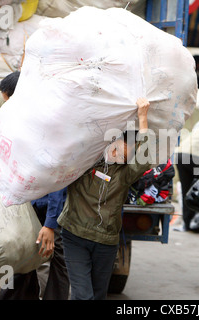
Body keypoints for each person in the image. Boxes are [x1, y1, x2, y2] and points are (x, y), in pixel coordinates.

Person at [57, 97, 154, 300]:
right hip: (75, 235)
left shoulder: (124, 173)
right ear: (111, 142)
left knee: (98, 294)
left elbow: (145, 158)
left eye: (129, 150)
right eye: (122, 147)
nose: (124, 153)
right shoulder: (85, 163)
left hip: (106, 241)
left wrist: (143, 117)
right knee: (84, 296)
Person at [0, 71, 70, 300]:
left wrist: (50, 223)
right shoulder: (19, 123)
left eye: (7, 99)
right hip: (26, 208)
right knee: (19, 260)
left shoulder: (45, 126)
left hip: (48, 211)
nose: (4, 105)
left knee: (52, 263)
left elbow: (57, 177)